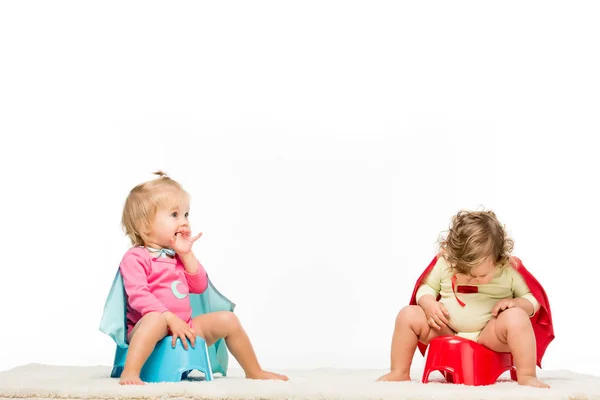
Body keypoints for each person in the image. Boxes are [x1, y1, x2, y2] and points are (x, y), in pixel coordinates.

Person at [117, 171, 288, 385]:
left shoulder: (177, 257)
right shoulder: (135, 257)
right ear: (145, 226)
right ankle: (131, 373)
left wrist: (186, 254)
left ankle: (254, 370)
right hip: (147, 329)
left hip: (184, 326)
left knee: (228, 319)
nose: (184, 222)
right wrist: (169, 318)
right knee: (155, 318)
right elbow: (138, 296)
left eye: (186, 215)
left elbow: (199, 286)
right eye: (174, 215)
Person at [377, 210, 553, 388]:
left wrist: (517, 304)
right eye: (464, 273)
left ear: (499, 260)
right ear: (453, 256)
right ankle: (398, 371)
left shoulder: (508, 269)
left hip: (490, 334)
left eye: (481, 275)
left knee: (517, 317)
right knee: (408, 315)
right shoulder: (445, 262)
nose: (472, 279)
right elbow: (426, 287)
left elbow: (533, 299)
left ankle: (527, 375)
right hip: (447, 330)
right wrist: (428, 303)